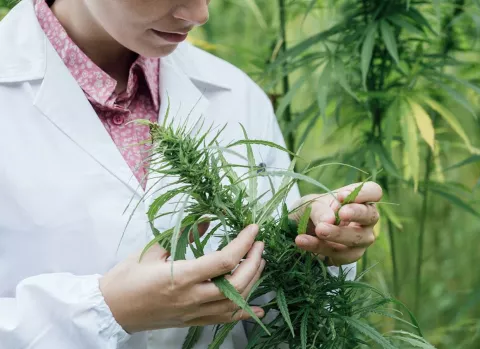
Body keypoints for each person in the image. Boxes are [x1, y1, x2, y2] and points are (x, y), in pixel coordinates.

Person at [0, 0, 382, 348]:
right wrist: (106, 311)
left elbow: (277, 319)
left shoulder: (235, 95)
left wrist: (305, 244)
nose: (199, 14)